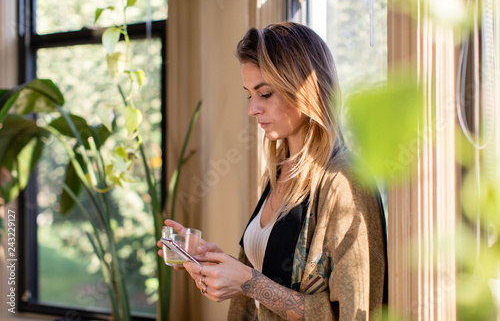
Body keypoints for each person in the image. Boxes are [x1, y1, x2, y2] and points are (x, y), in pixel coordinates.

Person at [157, 22, 388, 320]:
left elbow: (357, 311)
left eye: (264, 94)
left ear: (307, 91)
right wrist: (217, 264)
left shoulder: (346, 181)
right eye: (249, 95)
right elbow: (269, 281)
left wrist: (248, 281)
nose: (253, 109)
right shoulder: (280, 171)